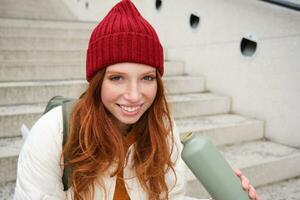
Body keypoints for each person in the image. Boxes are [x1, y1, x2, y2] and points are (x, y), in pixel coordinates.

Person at [14, 0, 259, 199]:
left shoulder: (163, 128)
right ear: (97, 81)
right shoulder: (52, 133)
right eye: (117, 78)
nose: (133, 95)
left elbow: (171, 197)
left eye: (147, 78)